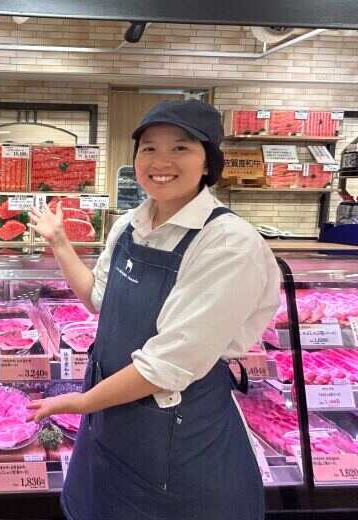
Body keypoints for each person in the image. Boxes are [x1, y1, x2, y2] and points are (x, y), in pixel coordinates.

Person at [27, 100, 279, 520]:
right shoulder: (130, 224)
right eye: (149, 148)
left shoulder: (229, 243)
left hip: (181, 444)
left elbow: (166, 366)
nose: (161, 161)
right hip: (110, 428)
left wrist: (85, 402)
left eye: (180, 148)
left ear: (208, 162)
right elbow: (98, 299)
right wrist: (60, 243)